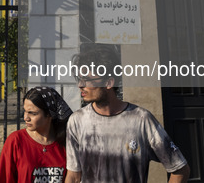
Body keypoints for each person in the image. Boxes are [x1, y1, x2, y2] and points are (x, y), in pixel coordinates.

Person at [65, 44, 190, 183]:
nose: (80, 85)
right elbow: (73, 176)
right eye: (79, 79)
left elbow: (180, 169)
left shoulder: (141, 119)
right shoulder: (77, 121)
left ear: (109, 82)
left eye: (87, 79)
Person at [0, 86, 72, 183]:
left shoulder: (67, 144)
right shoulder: (16, 141)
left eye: (32, 113)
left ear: (49, 115)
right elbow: (4, 179)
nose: (26, 118)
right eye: (25, 111)